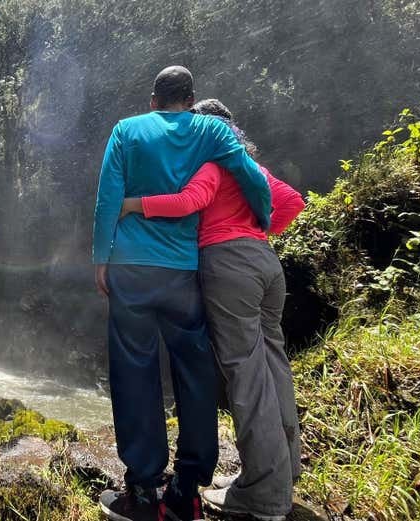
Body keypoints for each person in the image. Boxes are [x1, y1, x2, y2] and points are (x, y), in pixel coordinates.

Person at [93, 68, 272, 521]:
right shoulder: (211, 130)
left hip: (131, 267)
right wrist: (263, 217)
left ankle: (143, 492)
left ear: (153, 99)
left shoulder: (126, 130)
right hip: (183, 271)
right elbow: (251, 176)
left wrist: (101, 258)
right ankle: (187, 489)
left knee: (134, 371)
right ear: (191, 100)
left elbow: (108, 197)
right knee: (194, 372)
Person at [120, 99, 305, 521]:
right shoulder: (250, 167)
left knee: (246, 375)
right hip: (265, 264)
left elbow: (189, 201)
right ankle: (283, 471)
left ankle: (265, 495)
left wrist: (134, 205)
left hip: (229, 267)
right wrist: (257, 230)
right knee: (273, 365)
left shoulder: (213, 163)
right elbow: (292, 201)